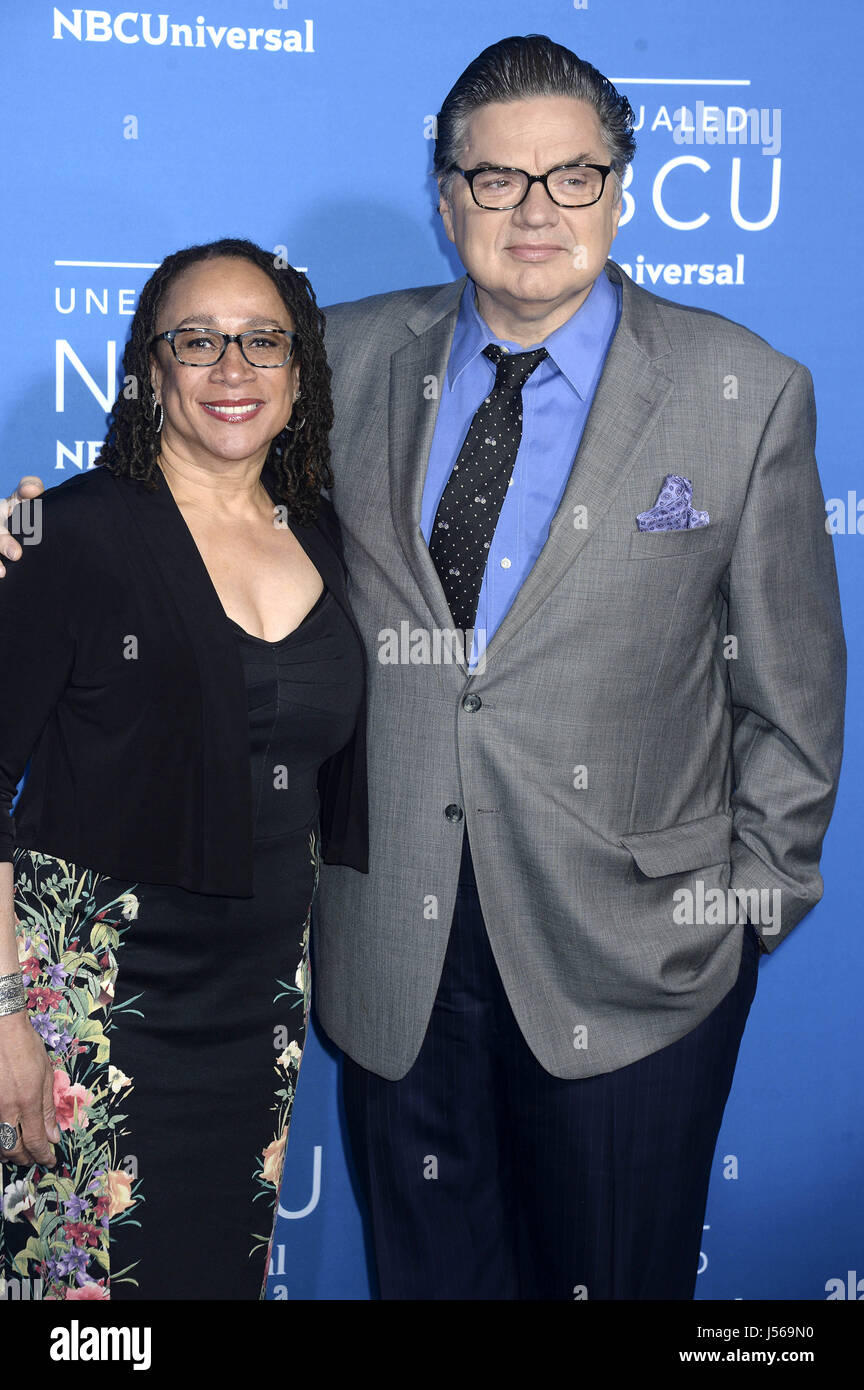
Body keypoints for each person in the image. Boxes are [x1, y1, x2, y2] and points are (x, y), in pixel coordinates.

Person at [2, 35, 846, 1302]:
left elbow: (793, 701)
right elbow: (193, 504)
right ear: (446, 198)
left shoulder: (746, 395)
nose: (535, 211)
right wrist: (33, 531)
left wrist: (737, 920)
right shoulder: (339, 355)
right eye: (496, 179)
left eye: (571, 176)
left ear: (620, 187)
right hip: (394, 958)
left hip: (634, 975)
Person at [0, 237, 367, 1300]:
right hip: (84, 1016)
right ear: (149, 371)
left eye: (263, 342)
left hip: (255, 1018)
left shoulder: (325, 538)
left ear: (300, 378)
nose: (231, 370)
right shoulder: (64, 533)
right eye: (195, 341)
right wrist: (5, 1016)